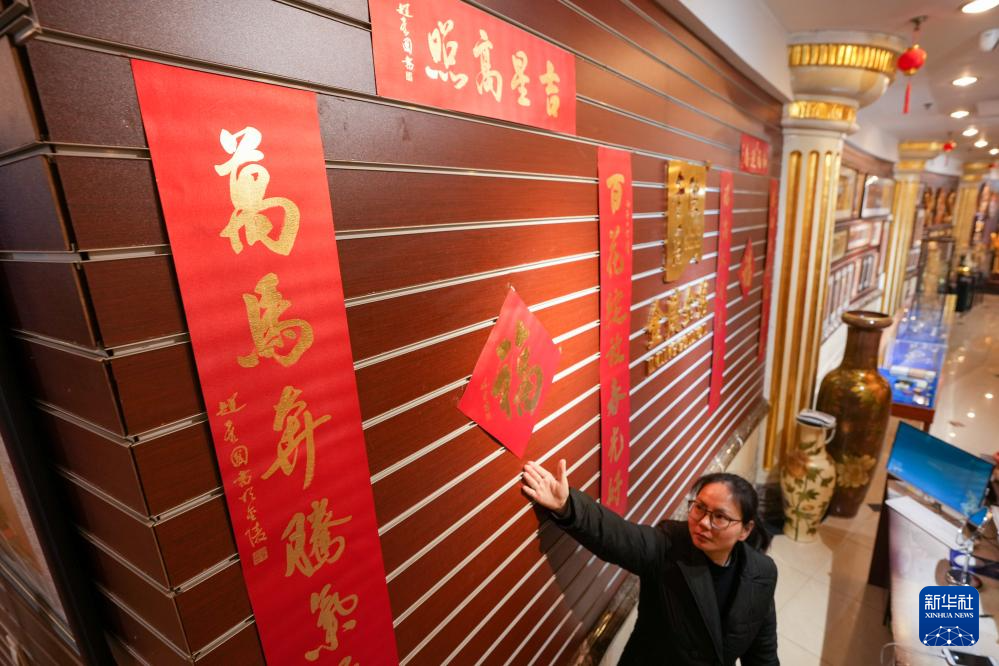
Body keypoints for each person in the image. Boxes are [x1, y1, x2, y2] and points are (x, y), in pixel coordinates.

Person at [521, 460, 779, 665]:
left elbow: (763, 653)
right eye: (699, 507)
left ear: (745, 530)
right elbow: (618, 536)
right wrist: (568, 506)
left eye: (720, 517)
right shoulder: (669, 544)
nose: (703, 522)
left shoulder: (763, 573)